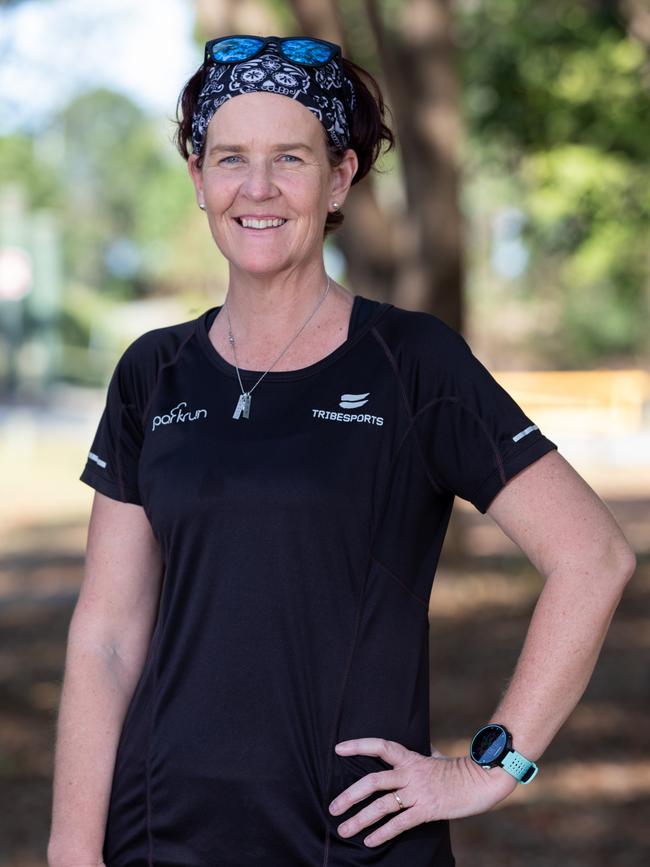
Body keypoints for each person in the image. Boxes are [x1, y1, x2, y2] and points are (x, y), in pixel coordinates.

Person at [47, 34, 636, 867]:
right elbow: (106, 634)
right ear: (197, 178)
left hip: (353, 843)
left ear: (340, 177)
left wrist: (489, 768)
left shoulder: (412, 362)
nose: (257, 188)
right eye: (230, 159)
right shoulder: (153, 371)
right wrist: (73, 846)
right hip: (157, 835)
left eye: (290, 157)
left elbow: (593, 555)